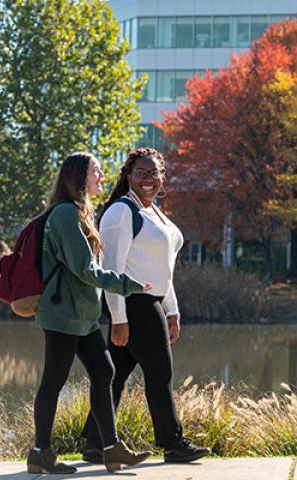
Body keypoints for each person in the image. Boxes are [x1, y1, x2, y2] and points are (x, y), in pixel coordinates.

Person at [81, 147, 210, 463]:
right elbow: (112, 270)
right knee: (160, 372)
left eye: (154, 173)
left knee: (115, 374)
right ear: (128, 175)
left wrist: (172, 309)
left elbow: (161, 267)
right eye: (141, 173)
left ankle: (96, 444)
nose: (149, 179)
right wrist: (119, 317)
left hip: (151, 301)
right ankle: (174, 445)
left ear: (163, 176)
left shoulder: (154, 212)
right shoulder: (121, 212)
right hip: (134, 302)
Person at [27, 152, 153, 474]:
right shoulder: (66, 215)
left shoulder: (79, 213)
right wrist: (129, 285)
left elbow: (86, 271)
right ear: (80, 176)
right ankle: (41, 451)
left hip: (82, 316)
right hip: (63, 315)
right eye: (96, 171)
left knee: (104, 372)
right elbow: (86, 270)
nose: (101, 176)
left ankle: (110, 449)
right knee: (53, 381)